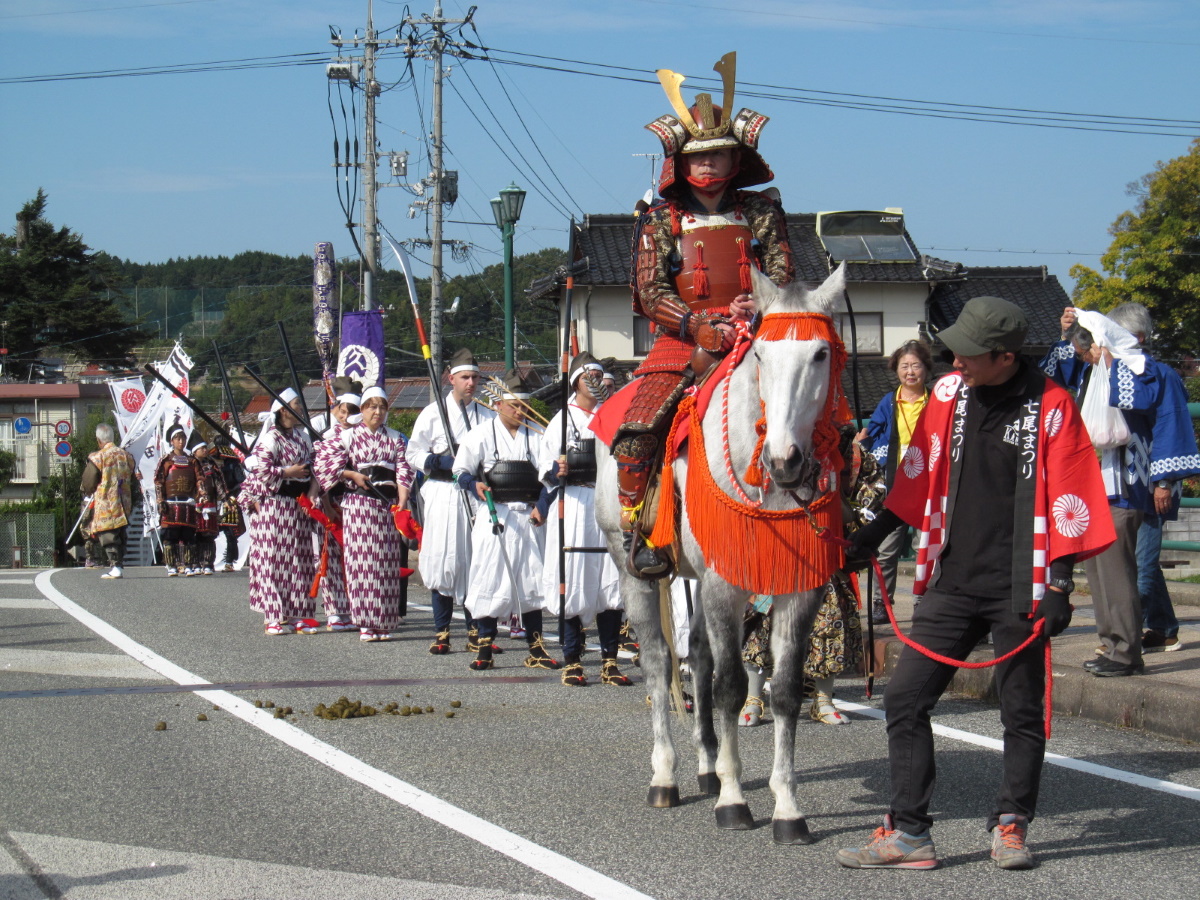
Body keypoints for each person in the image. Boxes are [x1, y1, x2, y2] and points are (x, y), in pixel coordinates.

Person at [838, 296, 1114, 871]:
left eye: (965, 352)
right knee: (905, 697)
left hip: (1024, 581)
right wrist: (876, 529)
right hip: (951, 578)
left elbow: (1071, 488)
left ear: (1005, 356)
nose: (952, 360)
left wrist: (1061, 584)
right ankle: (910, 830)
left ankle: (1012, 825)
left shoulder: (1053, 404)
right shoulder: (948, 394)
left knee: (1021, 710)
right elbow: (919, 468)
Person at [615, 51, 793, 578]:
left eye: (719, 154)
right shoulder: (660, 219)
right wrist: (696, 324)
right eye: (699, 155)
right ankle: (639, 530)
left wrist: (759, 302)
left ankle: (830, 515)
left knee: (824, 415)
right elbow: (649, 289)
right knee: (638, 427)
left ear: (737, 159)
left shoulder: (762, 210)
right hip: (684, 335)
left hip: (758, 329)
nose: (709, 164)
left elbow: (783, 271)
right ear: (680, 162)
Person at [1041, 304, 1199, 674]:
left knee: (1122, 569)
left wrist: (1163, 481)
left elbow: (1168, 426)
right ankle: (1112, 643)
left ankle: (1126, 650)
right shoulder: (1095, 372)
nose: (1089, 353)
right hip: (1094, 483)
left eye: (1094, 345)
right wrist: (1069, 333)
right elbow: (1052, 373)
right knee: (1098, 569)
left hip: (1131, 483)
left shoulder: (1152, 373)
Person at [453, 370, 557, 671]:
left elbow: (550, 480)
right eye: (513, 405)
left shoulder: (537, 435)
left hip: (527, 517)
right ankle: (484, 644)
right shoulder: (481, 435)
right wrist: (475, 486)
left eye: (524, 406)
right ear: (498, 405)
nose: (519, 411)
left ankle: (536, 646)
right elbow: (461, 472)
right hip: (494, 515)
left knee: (532, 579)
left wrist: (542, 506)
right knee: (488, 576)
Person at [539, 352, 632, 688]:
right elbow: (544, 466)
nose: (593, 382)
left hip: (606, 499)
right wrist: (555, 470)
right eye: (587, 376)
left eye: (598, 376)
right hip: (575, 502)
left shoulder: (613, 416)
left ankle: (609, 660)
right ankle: (573, 659)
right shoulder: (561, 420)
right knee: (573, 578)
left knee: (611, 578)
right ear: (576, 381)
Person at [406, 348, 495, 654]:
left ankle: (476, 631)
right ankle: (442, 631)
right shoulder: (433, 413)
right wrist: (440, 461)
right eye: (465, 377)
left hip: (474, 493)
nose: (471, 382)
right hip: (444, 493)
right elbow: (413, 453)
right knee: (443, 559)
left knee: (476, 560)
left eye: (475, 377)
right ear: (451, 379)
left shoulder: (487, 414)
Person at [314, 385, 415, 643]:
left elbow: (404, 470)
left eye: (382, 407)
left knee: (386, 563)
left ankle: (384, 620)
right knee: (362, 564)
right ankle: (365, 622)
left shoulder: (394, 437)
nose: (377, 412)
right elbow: (324, 463)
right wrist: (350, 474)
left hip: (387, 506)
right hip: (359, 505)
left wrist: (403, 499)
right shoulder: (349, 437)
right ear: (363, 409)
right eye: (372, 406)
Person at [857, 340, 934, 623]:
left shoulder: (937, 399)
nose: (910, 371)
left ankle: (922, 602)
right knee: (887, 546)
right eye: (905, 366)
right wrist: (861, 443)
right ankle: (882, 603)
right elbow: (872, 434)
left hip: (929, 480)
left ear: (926, 369)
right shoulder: (889, 401)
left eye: (916, 365)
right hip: (895, 480)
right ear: (896, 370)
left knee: (924, 546)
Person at [239, 388, 319, 635]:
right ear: (283, 409)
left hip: (299, 505)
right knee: (273, 559)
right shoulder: (270, 439)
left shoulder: (304, 438)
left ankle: (299, 614)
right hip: (274, 504)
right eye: (296, 404)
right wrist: (287, 472)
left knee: (300, 559)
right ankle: (272, 615)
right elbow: (261, 471)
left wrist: (313, 492)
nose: (300, 408)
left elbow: (316, 469)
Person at [310, 376, 361, 632]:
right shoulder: (327, 437)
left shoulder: (364, 436)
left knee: (353, 559)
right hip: (332, 501)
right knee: (329, 558)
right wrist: (327, 503)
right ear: (335, 410)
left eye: (352, 411)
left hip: (357, 504)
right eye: (343, 411)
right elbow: (321, 476)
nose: (346, 416)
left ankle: (353, 608)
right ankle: (333, 611)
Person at [79, 423, 137, 579]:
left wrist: (88, 491)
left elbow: (88, 482)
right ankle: (118, 564)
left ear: (99, 440)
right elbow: (132, 473)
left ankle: (115, 566)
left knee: (108, 533)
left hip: (106, 502)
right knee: (121, 532)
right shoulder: (126, 455)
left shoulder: (98, 457)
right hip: (124, 502)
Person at [154, 424, 199, 577]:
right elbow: (159, 481)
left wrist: (201, 495)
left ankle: (187, 564)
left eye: (183, 438)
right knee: (170, 536)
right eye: (177, 438)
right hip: (171, 504)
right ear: (171, 441)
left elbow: (200, 479)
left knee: (187, 536)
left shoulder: (192, 461)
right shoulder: (166, 460)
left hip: (187, 504)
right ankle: (171, 565)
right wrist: (160, 500)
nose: (181, 441)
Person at [189, 435, 228, 576]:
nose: (205, 450)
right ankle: (194, 563)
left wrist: (224, 498)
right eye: (202, 448)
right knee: (194, 535)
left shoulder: (211, 464)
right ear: (195, 451)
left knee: (208, 535)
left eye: (206, 448)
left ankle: (207, 563)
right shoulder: (189, 464)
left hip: (210, 503)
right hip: (194, 504)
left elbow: (219, 482)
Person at [214, 436, 246, 572]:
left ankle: (229, 562)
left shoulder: (233, 463)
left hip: (230, 500)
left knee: (230, 532)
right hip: (214, 500)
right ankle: (205, 561)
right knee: (208, 532)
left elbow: (241, 481)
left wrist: (231, 495)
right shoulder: (211, 463)